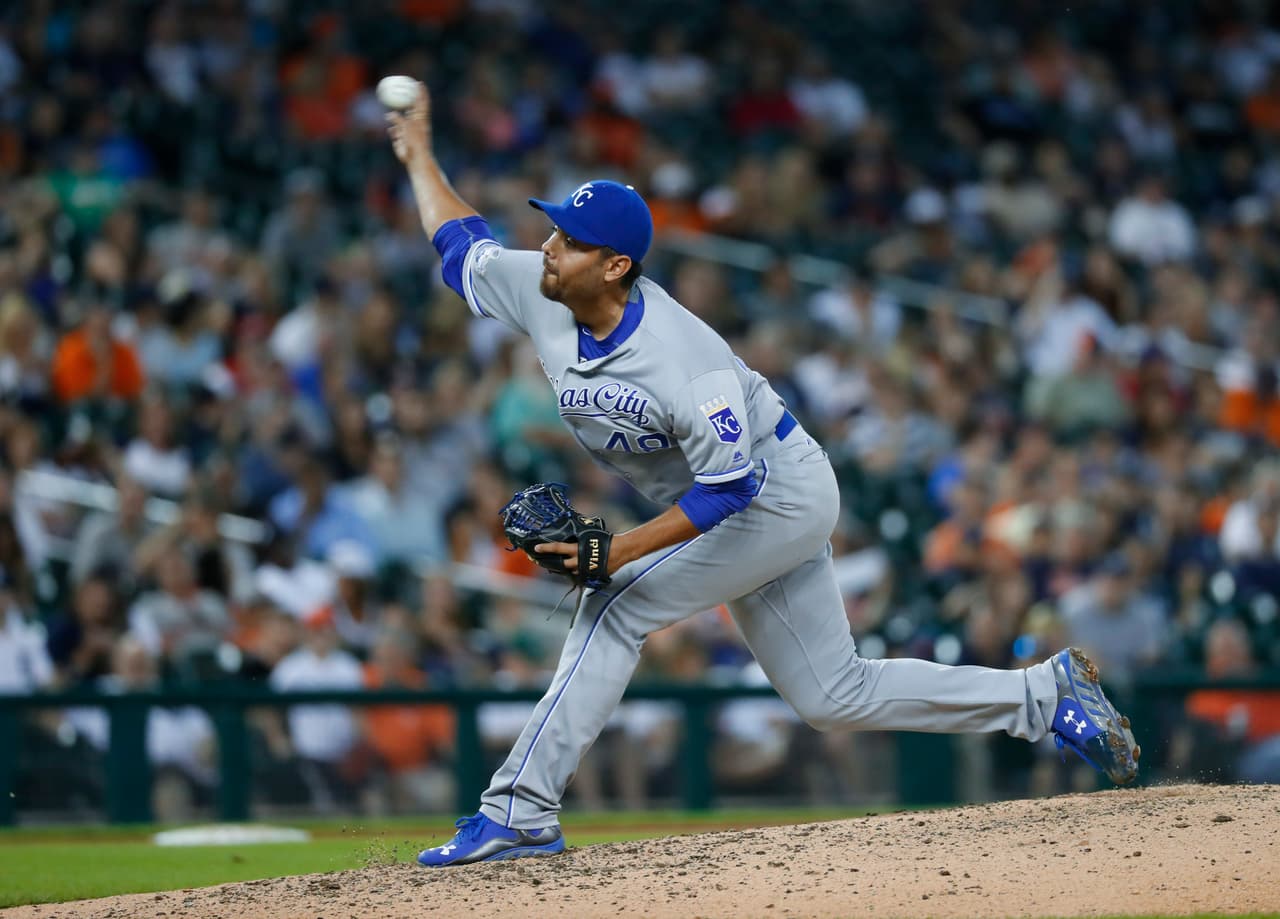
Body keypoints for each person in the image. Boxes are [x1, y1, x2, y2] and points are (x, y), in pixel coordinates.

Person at [386, 81, 1140, 867]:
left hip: (776, 493)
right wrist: (419, 155)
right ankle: (1044, 694)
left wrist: (619, 551)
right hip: (738, 501)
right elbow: (460, 245)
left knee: (613, 606)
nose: (548, 245)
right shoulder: (542, 289)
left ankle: (519, 811)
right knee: (832, 693)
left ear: (614, 266)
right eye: (553, 229)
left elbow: (732, 489)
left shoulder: (684, 359)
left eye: (569, 240)